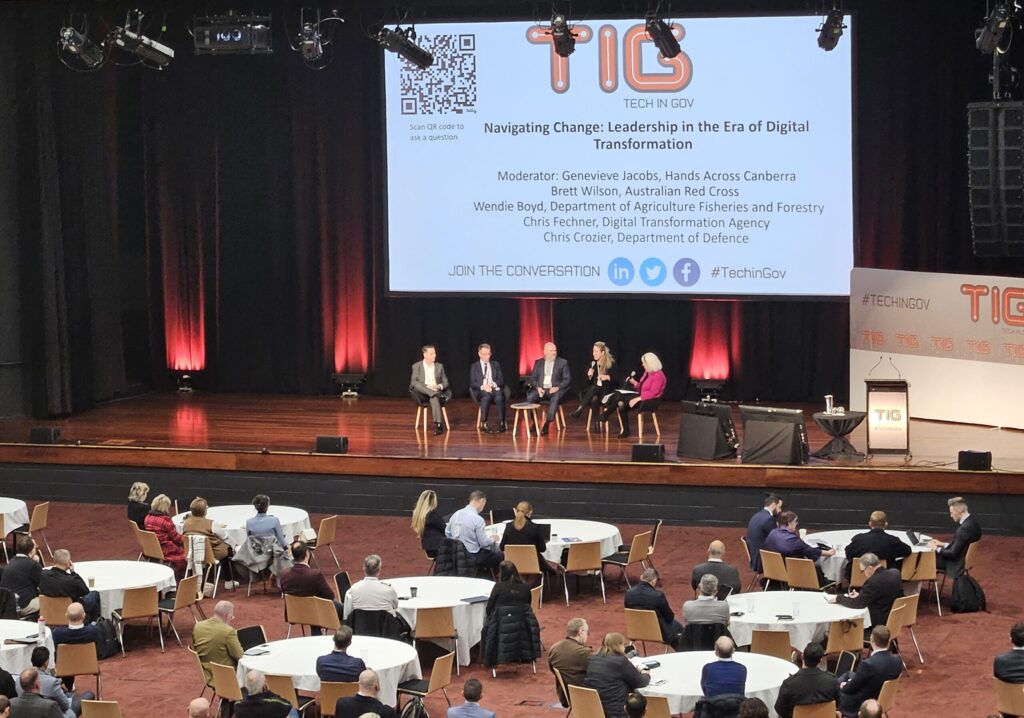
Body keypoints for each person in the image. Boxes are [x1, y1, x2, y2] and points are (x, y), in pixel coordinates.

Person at [837, 626, 902, 717]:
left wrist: (843, 686)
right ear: (888, 641)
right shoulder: (897, 660)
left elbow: (850, 689)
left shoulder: (868, 664)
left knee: (835, 690)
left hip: (863, 703)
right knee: (848, 674)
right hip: (883, 698)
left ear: (872, 640)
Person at [584, 632, 650, 718]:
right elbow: (640, 682)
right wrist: (646, 673)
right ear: (618, 645)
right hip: (617, 711)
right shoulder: (620, 661)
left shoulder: (594, 658)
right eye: (624, 644)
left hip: (595, 709)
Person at [280, 541, 344, 629]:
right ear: (307, 553)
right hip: (315, 613)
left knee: (314, 605)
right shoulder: (315, 574)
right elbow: (330, 596)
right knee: (345, 610)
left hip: (294, 613)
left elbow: (284, 593)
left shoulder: (284, 574)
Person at [762, 511, 836, 585]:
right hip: (793, 574)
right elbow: (810, 551)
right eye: (795, 521)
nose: (796, 524)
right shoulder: (793, 541)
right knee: (816, 567)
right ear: (790, 522)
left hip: (773, 571)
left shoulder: (772, 533)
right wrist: (828, 553)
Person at [17, 646, 93, 718]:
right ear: (46, 662)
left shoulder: (19, 679)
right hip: (55, 714)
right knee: (88, 695)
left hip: (29, 712)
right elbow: (66, 706)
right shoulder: (52, 682)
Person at [604, 352, 666, 438]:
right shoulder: (647, 373)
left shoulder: (659, 375)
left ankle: (606, 414)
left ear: (650, 363)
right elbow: (641, 387)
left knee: (618, 397)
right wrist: (634, 382)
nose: (642, 364)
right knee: (620, 402)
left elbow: (653, 393)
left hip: (649, 401)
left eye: (644, 363)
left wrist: (638, 399)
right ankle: (625, 431)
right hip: (641, 396)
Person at [834, 553, 903, 629]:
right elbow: (881, 593)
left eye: (863, 571)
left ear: (870, 568)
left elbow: (858, 604)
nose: (864, 574)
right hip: (895, 618)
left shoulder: (873, 582)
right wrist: (861, 595)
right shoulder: (895, 573)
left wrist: (839, 598)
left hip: (878, 622)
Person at [774, 642, 840, 718]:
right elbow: (837, 704)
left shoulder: (789, 684)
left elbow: (780, 709)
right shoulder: (832, 681)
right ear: (820, 660)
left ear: (802, 656)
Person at [182, 497, 235, 589]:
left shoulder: (185, 523)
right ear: (205, 510)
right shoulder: (212, 523)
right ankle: (228, 581)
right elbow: (225, 537)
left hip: (193, 553)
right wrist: (235, 545)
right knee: (228, 549)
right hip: (211, 555)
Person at [624, 568, 683, 649]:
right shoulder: (658, 595)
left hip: (636, 630)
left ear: (641, 577)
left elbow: (629, 612)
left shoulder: (628, 593)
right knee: (679, 628)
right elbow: (669, 617)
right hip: (658, 632)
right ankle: (682, 652)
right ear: (654, 581)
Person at [445, 491, 503, 571]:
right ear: (482, 501)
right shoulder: (478, 519)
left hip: (455, 554)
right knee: (499, 556)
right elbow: (484, 543)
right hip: (472, 555)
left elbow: (447, 533)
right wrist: (493, 539)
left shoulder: (456, 514)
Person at [38, 550, 101, 623]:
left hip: (50, 612)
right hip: (71, 611)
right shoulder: (70, 580)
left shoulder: (43, 575)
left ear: (54, 560)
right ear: (68, 563)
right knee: (94, 594)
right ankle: (91, 624)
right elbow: (85, 591)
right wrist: (73, 572)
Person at [844, 511, 911, 579]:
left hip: (858, 578)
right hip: (885, 580)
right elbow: (907, 551)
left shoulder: (858, 539)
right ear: (886, 524)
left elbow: (848, 554)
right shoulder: (892, 541)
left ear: (870, 524)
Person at [192, 600, 244, 686]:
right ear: (227, 616)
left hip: (207, 673)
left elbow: (195, 647)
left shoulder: (198, 626)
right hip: (226, 675)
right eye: (232, 617)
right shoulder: (228, 631)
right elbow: (239, 655)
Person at [928, 499, 982, 578]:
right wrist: (942, 544)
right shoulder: (973, 522)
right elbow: (961, 545)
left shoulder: (963, 529)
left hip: (956, 562)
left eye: (952, 512)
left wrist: (936, 549)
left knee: (924, 559)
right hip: (963, 558)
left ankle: (913, 589)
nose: (951, 515)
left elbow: (952, 554)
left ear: (958, 511)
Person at [526, 342, 571, 436]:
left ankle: (547, 423)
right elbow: (532, 378)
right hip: (541, 390)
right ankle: (534, 423)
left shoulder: (563, 362)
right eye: (551, 351)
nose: (554, 353)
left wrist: (557, 387)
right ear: (545, 352)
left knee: (556, 396)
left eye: (555, 350)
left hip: (554, 390)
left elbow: (567, 379)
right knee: (530, 397)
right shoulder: (538, 362)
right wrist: (537, 387)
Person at [571, 342, 617, 429]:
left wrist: (607, 377)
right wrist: (589, 376)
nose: (593, 354)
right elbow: (585, 384)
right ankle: (597, 425)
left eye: (596, 351)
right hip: (593, 393)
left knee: (594, 390)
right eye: (593, 351)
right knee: (594, 397)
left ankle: (580, 410)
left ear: (602, 353)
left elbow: (618, 380)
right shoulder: (592, 365)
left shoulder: (610, 364)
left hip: (606, 393)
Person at [548, 618, 593, 707]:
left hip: (566, 696)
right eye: (587, 633)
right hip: (586, 696)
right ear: (581, 632)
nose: (587, 636)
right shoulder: (584, 652)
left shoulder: (554, 648)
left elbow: (552, 670)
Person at [410, 344, 452, 435]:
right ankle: (437, 394)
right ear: (425, 355)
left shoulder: (439, 366)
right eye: (431, 354)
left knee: (434, 397)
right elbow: (412, 383)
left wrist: (439, 386)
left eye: (435, 353)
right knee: (417, 384)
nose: (434, 355)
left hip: (436, 392)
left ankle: (439, 425)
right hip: (422, 395)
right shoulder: (417, 366)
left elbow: (446, 383)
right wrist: (428, 387)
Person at [343, 555, 398, 620]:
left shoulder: (352, 590)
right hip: (385, 628)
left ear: (364, 568)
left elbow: (347, 615)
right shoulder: (389, 590)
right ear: (379, 570)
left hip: (360, 628)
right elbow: (395, 606)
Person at [498, 502, 548, 574]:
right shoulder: (535, 528)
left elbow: (501, 547)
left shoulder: (508, 526)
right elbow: (542, 549)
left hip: (512, 565)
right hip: (531, 564)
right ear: (530, 512)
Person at [144, 493, 186, 578]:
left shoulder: (147, 518)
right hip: (166, 549)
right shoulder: (165, 521)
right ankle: (184, 576)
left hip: (152, 548)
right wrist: (186, 539)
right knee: (188, 552)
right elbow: (177, 538)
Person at [0, 536, 42, 616]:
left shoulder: (11, 562)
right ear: (31, 551)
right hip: (23, 606)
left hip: (7, 605)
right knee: (47, 599)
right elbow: (43, 584)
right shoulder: (33, 565)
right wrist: (37, 563)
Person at [469, 343, 506, 433]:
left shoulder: (495, 365)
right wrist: (483, 387)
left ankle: (502, 423)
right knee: (486, 397)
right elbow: (473, 383)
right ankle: (484, 423)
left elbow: (501, 380)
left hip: (493, 389)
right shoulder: (474, 366)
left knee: (500, 396)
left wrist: (492, 384)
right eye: (485, 354)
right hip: (481, 391)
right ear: (479, 354)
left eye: (489, 354)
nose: (488, 356)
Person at [746, 494, 783, 574]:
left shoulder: (756, 516)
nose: (780, 511)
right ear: (773, 505)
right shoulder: (768, 519)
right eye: (779, 507)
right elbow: (778, 540)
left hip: (755, 557)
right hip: (762, 561)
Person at [411, 490, 446, 559]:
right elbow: (445, 529)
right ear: (433, 502)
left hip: (428, 547)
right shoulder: (432, 515)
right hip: (439, 547)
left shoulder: (419, 515)